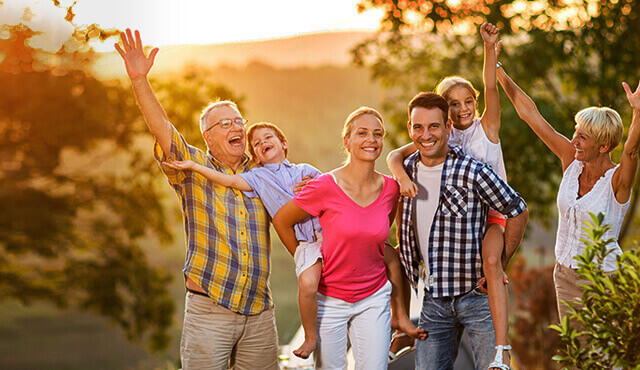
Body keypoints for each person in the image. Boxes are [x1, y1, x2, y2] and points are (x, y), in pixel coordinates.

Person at [164, 120, 425, 360]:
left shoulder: (305, 170)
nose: (263, 142)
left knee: (390, 255)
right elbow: (229, 180)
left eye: (269, 137)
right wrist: (195, 166)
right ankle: (311, 337)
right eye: (256, 143)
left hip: (328, 234)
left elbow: (334, 189)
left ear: (283, 143)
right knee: (309, 283)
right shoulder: (257, 178)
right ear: (254, 155)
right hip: (307, 244)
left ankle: (399, 315)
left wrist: (312, 184)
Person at [115, 29, 278, 369]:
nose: (235, 126)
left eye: (238, 120)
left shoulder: (264, 173)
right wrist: (139, 81)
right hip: (209, 311)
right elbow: (162, 129)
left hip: (260, 311)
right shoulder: (194, 168)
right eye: (224, 123)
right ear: (207, 136)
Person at [387, 23, 514, 369]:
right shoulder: (446, 138)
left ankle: (500, 351)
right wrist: (400, 176)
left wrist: (489, 49)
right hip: (446, 268)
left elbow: (490, 85)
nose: (462, 110)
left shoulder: (485, 128)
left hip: (493, 213)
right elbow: (398, 154)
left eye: (468, 101)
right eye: (454, 105)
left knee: (490, 264)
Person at [495, 47, 640, 330]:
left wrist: (638, 112)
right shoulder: (571, 162)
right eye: (575, 132)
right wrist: (496, 67)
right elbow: (530, 114)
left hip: (602, 280)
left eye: (582, 137)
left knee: (602, 357)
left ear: (604, 145)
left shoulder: (617, 182)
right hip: (564, 276)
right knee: (578, 355)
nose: (574, 140)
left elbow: (632, 153)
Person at [273, 107, 419, 369]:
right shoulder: (324, 186)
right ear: (347, 141)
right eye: (362, 133)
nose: (371, 140)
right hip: (329, 301)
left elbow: (379, 237)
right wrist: (304, 259)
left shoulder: (391, 189)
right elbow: (282, 220)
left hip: (373, 298)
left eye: (377, 134)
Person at [394, 92, 528, 370]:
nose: (426, 134)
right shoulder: (404, 172)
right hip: (432, 300)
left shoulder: (471, 171)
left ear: (448, 128)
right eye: (418, 127)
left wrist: (501, 262)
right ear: (410, 129)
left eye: (434, 126)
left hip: (477, 298)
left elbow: (518, 209)